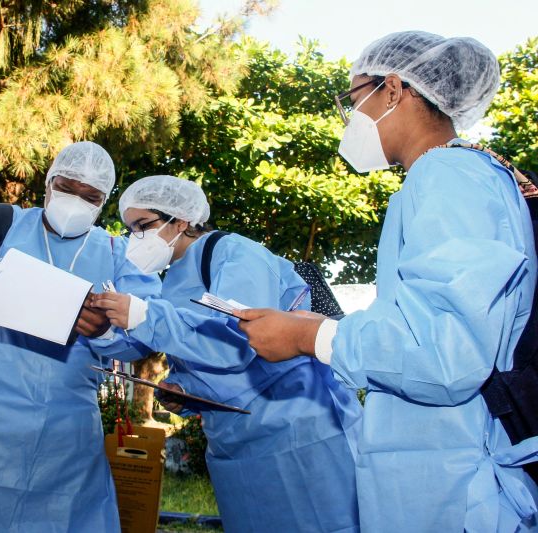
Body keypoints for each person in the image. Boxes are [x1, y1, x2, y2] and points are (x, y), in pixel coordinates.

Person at [236, 31, 538, 531]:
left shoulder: (448, 178)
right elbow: (429, 319)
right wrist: (322, 325)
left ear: (393, 90)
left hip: (454, 489)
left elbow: (446, 353)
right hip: (439, 475)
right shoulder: (457, 177)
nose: (348, 119)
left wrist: (308, 337)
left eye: (352, 101)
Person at [93, 175, 362, 532]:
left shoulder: (235, 253)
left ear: (181, 220)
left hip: (299, 435)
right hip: (235, 445)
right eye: (130, 229)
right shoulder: (172, 281)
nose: (135, 239)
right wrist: (184, 392)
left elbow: (236, 344)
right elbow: (201, 360)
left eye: (143, 225)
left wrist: (145, 315)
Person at [0, 141, 162, 532]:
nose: (75, 201)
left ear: (103, 203)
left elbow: (147, 329)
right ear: (48, 184)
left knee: (68, 517)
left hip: (70, 424)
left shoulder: (119, 252)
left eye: (90, 196)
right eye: (67, 188)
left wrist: (105, 333)